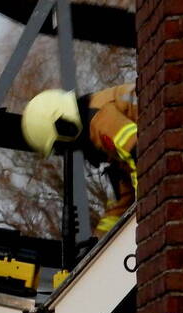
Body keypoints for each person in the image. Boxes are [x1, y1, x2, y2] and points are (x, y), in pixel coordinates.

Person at [21, 83, 137, 238]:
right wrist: (97, 244)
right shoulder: (95, 120)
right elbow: (124, 198)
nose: (69, 150)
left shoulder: (99, 119)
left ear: (65, 126)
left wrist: (146, 208)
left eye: (61, 146)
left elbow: (141, 151)